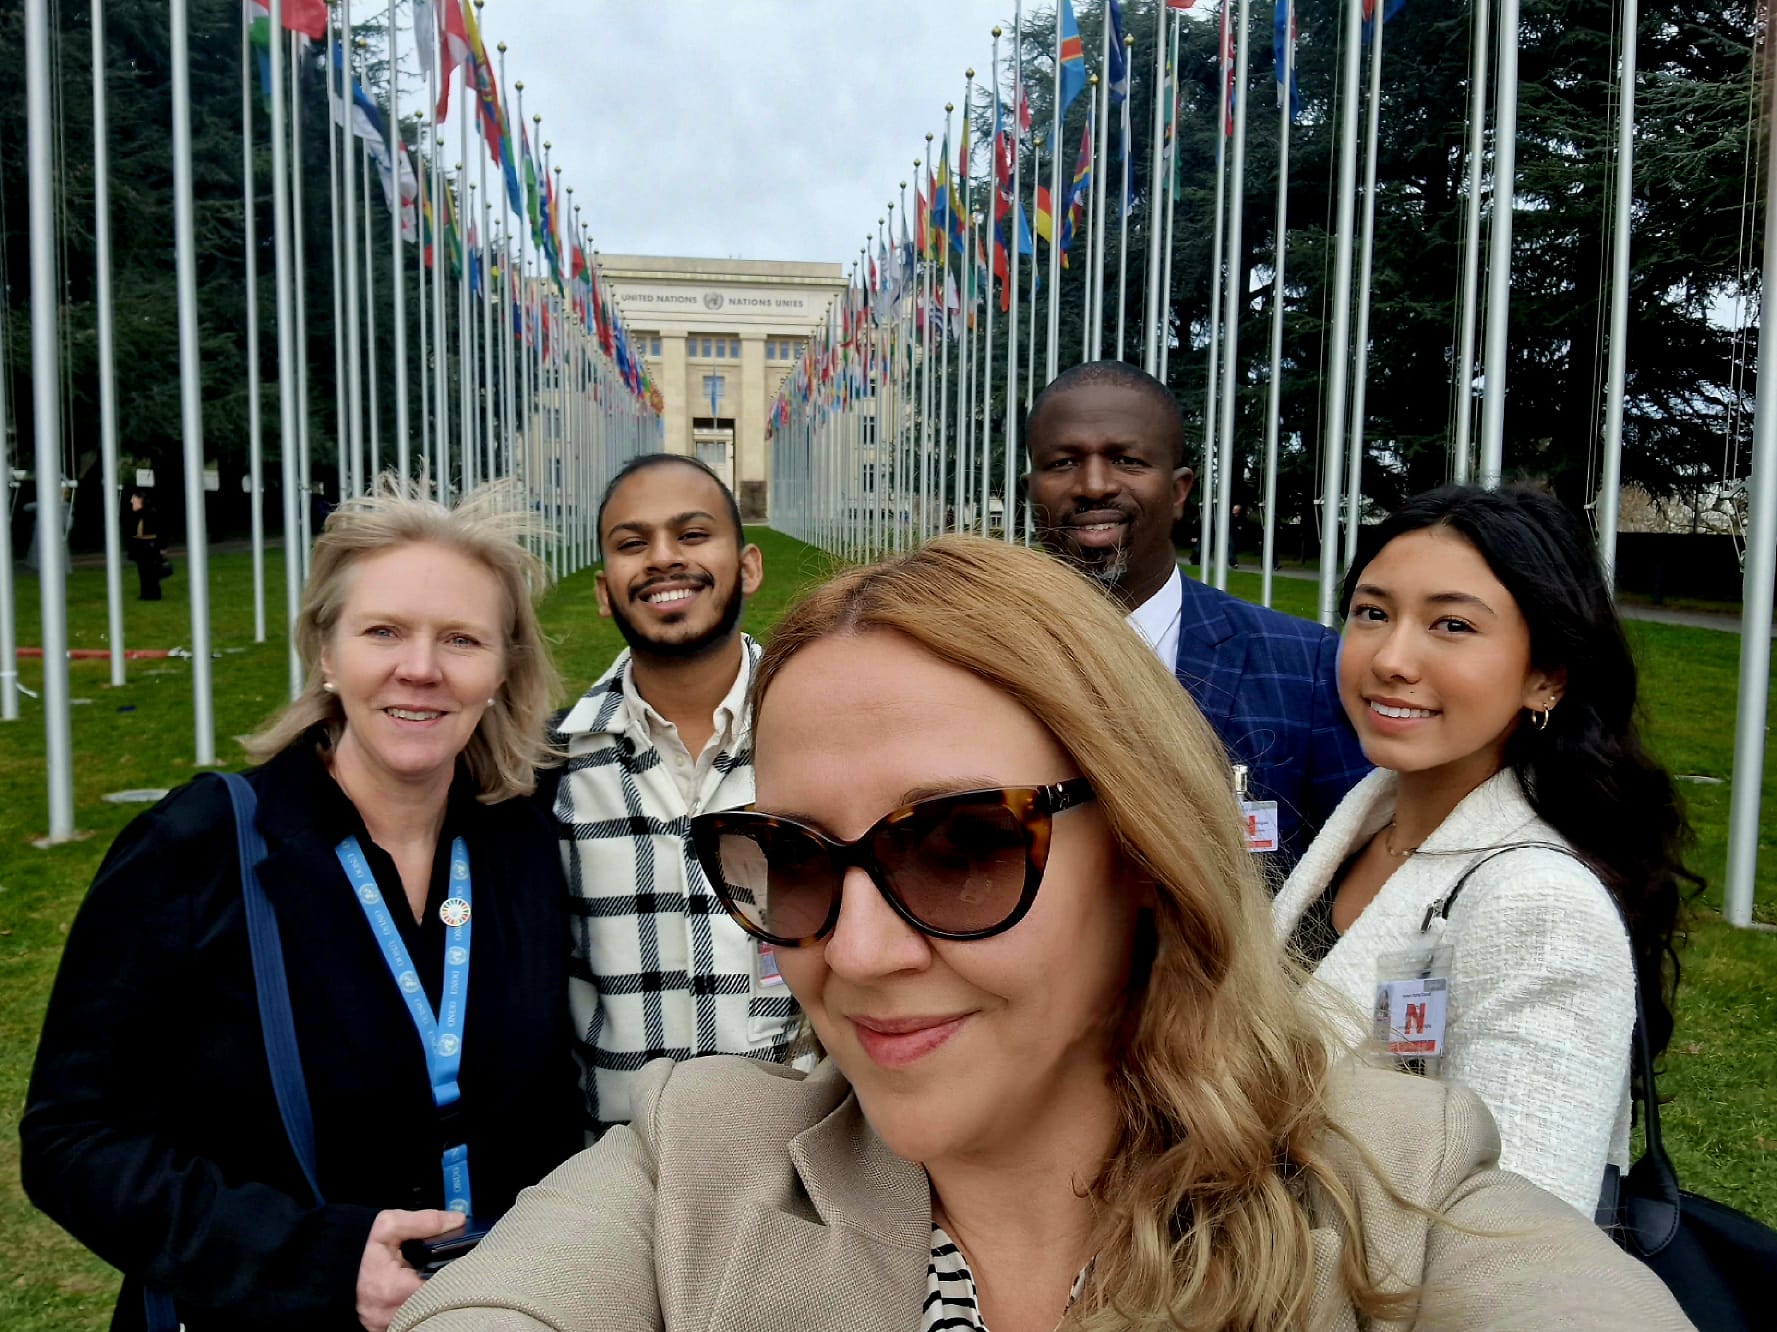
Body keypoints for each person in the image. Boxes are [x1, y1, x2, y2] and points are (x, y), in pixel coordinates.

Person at [391, 535, 1688, 1332]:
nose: (855, 949)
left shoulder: (1397, 1188)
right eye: (791, 859)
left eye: (955, 845)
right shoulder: (696, 1164)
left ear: (1140, 846)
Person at [21, 479, 582, 1331]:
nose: (421, 669)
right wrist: (312, 1261)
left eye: (461, 639)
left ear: (504, 668)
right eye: (383, 631)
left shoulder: (521, 844)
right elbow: (72, 1142)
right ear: (326, 652)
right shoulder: (199, 848)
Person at [1272, 484, 1694, 1215]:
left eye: (1451, 625)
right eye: (1372, 613)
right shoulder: (1364, 823)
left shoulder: (1540, 906)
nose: (1391, 659)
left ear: (1546, 677)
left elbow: (1517, 1247)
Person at [1023, 360, 1369, 868]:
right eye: (1062, 463)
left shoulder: (1306, 666)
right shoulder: (968, 664)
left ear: (1179, 490)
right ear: (1031, 490)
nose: (1094, 485)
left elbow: (1353, 872)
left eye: (1127, 461)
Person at [545, 454, 799, 1135]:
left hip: (806, 1161)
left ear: (747, 566)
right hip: (621, 1171)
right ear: (605, 590)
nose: (662, 559)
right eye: (632, 544)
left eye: (691, 535)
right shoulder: (549, 770)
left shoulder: (818, 741)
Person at [126, 491, 167, 601]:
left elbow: (161, 531)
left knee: (152, 571)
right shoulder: (135, 515)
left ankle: (154, 594)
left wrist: (163, 547)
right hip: (140, 545)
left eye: (134, 501)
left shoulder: (152, 513)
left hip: (151, 545)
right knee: (142, 571)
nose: (132, 503)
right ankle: (145, 594)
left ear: (140, 501)